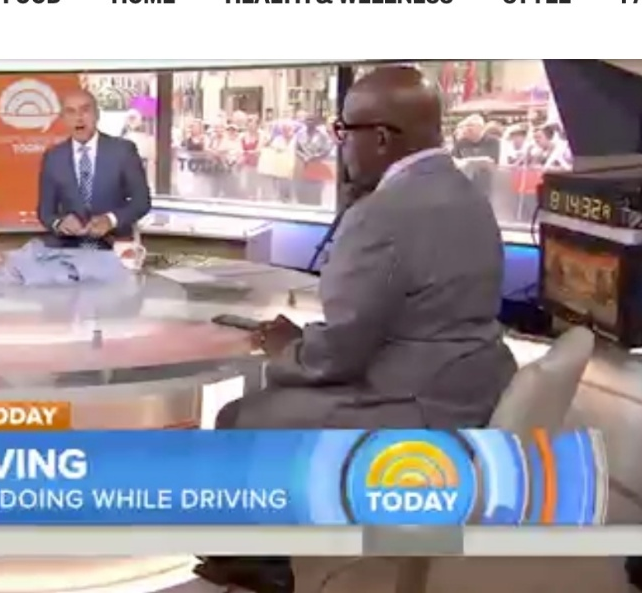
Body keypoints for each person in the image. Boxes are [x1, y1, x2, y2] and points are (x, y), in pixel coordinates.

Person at [198, 67, 517, 593]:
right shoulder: (465, 190)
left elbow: (339, 354)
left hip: (421, 403)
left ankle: (258, 563)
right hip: (473, 382)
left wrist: (289, 348)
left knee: (241, 415)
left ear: (382, 137)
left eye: (344, 131)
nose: (340, 145)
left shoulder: (383, 212)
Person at [37, 89, 151, 249]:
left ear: (97, 114)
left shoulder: (123, 151)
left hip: (115, 245)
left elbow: (142, 201)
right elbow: (45, 212)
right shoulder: (53, 157)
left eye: (85, 110)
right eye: (71, 112)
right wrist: (59, 223)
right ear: (63, 119)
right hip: (69, 247)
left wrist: (110, 220)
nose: (78, 118)